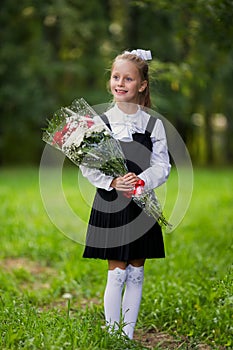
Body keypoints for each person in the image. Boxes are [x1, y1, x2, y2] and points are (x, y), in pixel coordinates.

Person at [80, 49, 171, 340]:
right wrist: (113, 181)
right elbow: (87, 165)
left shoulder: (154, 124)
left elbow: (162, 165)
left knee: (136, 271)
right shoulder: (99, 123)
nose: (120, 83)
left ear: (142, 85)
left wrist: (140, 182)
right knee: (117, 271)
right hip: (111, 203)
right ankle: (112, 333)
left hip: (142, 205)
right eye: (115, 76)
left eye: (128, 78)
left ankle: (127, 336)